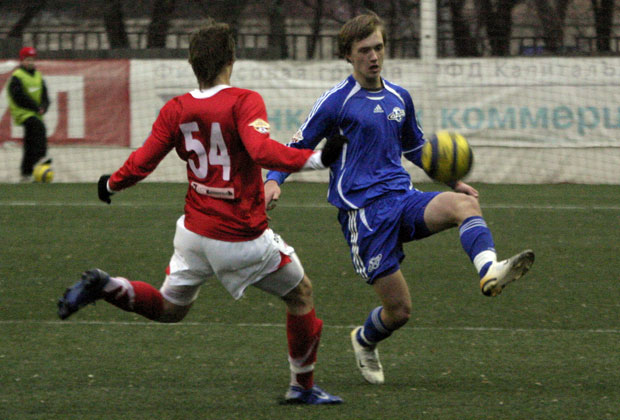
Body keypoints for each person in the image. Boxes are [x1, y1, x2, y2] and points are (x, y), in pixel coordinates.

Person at [56, 20, 346, 405]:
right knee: (301, 293)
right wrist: (318, 158)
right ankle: (302, 389)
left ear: (193, 64)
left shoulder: (176, 108)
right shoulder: (243, 100)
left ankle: (106, 286)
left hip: (193, 234)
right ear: (231, 60)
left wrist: (110, 184)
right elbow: (261, 151)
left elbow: (143, 161)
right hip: (240, 236)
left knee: (169, 308)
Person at [264, 12, 535, 385]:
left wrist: (453, 181)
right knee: (400, 311)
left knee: (465, 206)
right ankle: (365, 339)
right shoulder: (336, 102)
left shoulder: (399, 97)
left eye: (378, 47)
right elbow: (297, 146)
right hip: (364, 216)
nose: (373, 56)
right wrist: (273, 179)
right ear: (348, 55)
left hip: (403, 199)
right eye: (364, 50)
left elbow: (417, 149)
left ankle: (489, 271)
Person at [7, 46, 51, 182]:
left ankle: (26, 172)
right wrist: (35, 107)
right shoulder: (17, 76)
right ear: (21, 60)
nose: (30, 62)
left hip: (35, 113)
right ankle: (41, 157)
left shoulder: (38, 75)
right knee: (39, 128)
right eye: (27, 59)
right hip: (22, 112)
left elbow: (45, 95)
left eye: (32, 59)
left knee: (30, 141)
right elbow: (18, 96)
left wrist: (44, 107)